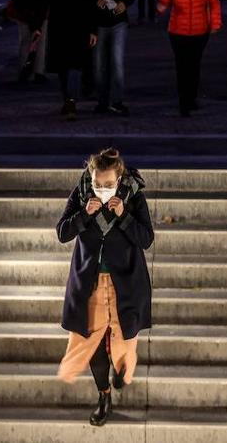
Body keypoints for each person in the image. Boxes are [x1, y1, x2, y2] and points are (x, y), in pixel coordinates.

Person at [56, 148, 153, 427]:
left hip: (126, 282)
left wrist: (123, 216)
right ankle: (104, 395)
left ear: (119, 178)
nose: (102, 189)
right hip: (89, 283)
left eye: (109, 185)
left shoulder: (133, 197)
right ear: (91, 177)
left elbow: (146, 238)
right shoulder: (82, 193)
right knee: (92, 343)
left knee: (124, 348)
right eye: (98, 183)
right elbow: (62, 232)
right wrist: (83, 215)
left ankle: (120, 374)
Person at [156, 0, 222, 116]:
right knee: (182, 66)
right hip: (177, 32)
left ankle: (191, 97)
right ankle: (184, 101)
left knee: (194, 65)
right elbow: (162, 4)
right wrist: (162, 2)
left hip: (200, 32)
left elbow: (214, 3)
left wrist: (215, 23)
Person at [87, 0, 136, 115]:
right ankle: (102, 101)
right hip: (98, 23)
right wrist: (95, 0)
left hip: (118, 22)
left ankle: (116, 101)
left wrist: (125, 3)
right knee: (99, 65)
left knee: (117, 63)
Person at [45, 0, 94, 119]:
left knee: (75, 66)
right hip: (59, 30)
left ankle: (72, 101)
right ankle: (67, 98)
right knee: (63, 69)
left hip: (79, 30)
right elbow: (46, 2)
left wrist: (92, 31)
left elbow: (91, 6)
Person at [8, 0, 51, 83]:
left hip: (23, 13)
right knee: (41, 42)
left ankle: (23, 70)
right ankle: (39, 71)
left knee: (24, 41)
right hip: (39, 12)